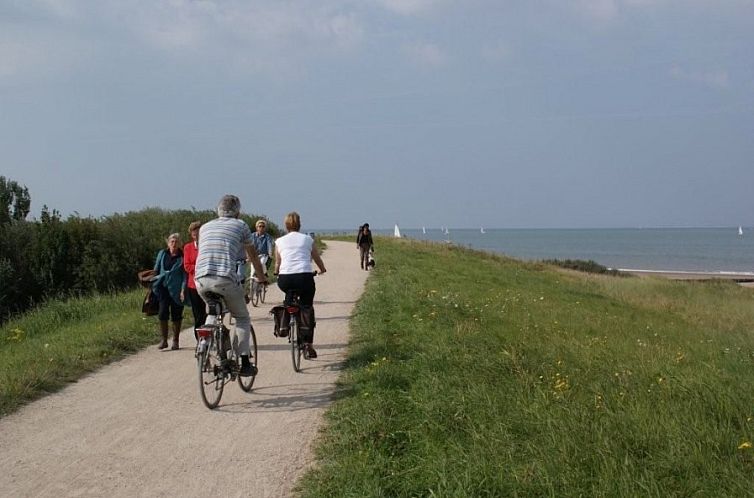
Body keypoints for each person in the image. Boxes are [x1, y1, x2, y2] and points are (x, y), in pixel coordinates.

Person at [194, 195, 267, 377]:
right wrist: (262, 277)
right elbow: (254, 257)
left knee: (212, 311)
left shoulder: (204, 227)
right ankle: (244, 363)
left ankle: (208, 345)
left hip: (200, 279)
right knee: (242, 317)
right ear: (237, 212)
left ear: (217, 210)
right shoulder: (241, 225)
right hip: (224, 278)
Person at [274, 212, 327, 359]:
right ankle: (308, 345)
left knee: (289, 299)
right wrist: (322, 269)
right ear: (299, 224)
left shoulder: (279, 241)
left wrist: (276, 272)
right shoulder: (307, 239)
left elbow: (278, 263)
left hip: (285, 280)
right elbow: (316, 258)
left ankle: (284, 323)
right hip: (304, 277)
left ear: (286, 225)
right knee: (306, 307)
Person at [152, 233, 188, 350]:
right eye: (172, 241)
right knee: (162, 313)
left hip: (177, 290)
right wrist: (151, 282)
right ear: (168, 243)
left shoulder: (182, 257)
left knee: (176, 315)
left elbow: (184, 275)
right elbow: (156, 269)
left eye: (176, 241)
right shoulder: (162, 254)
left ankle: (175, 341)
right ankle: (164, 340)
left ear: (180, 244)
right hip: (163, 287)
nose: (174, 243)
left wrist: (183, 290)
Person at [182, 221, 207, 341]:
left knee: (209, 312)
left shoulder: (207, 246)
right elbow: (187, 266)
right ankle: (199, 340)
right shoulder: (188, 247)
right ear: (191, 234)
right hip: (194, 285)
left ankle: (210, 337)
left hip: (208, 284)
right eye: (194, 232)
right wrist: (200, 269)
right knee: (198, 314)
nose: (196, 234)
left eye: (198, 232)